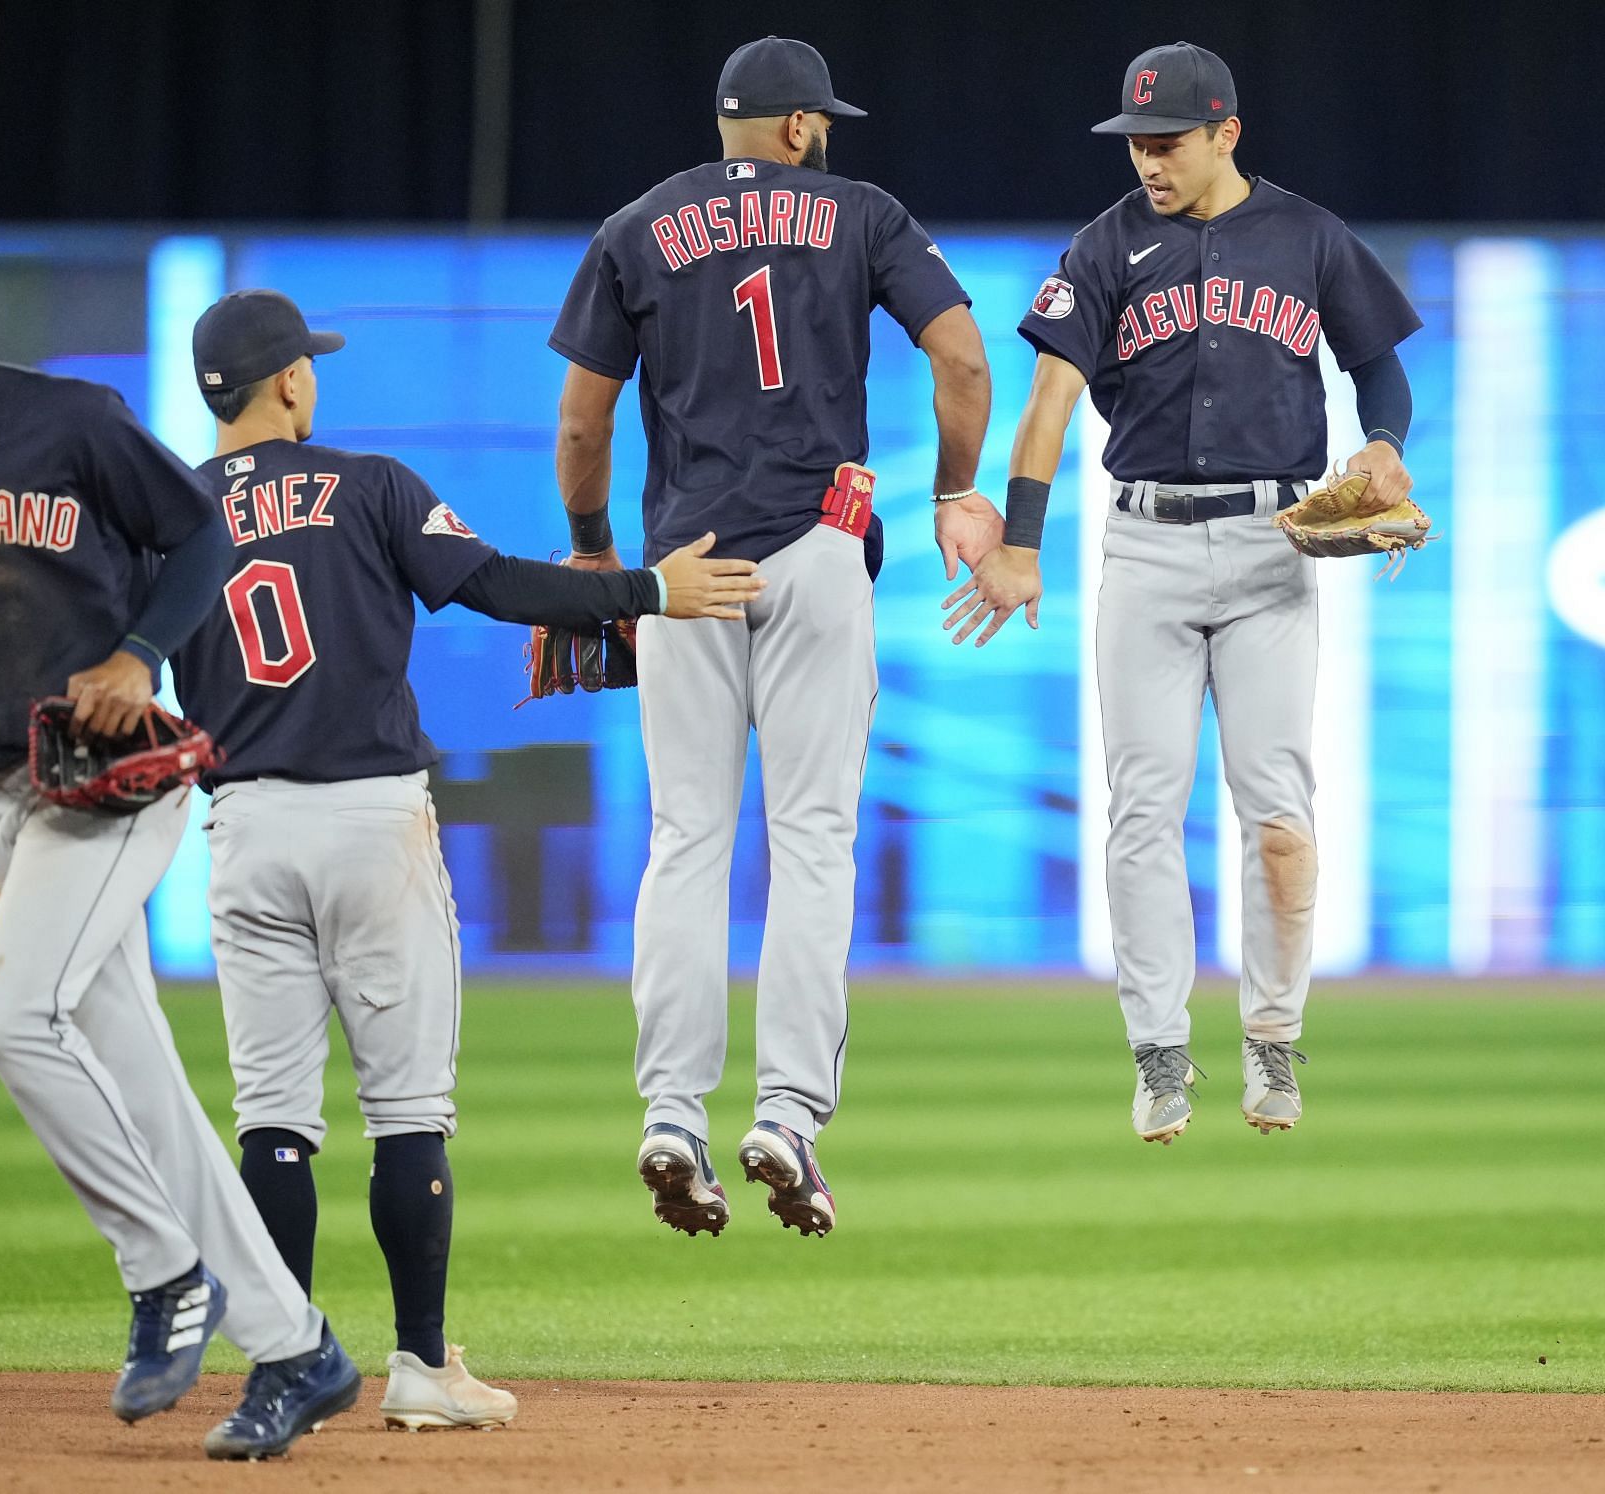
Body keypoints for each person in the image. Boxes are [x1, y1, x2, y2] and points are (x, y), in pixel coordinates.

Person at [0, 208, 361, 1462]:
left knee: (10, 1014)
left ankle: (165, 1271)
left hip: (109, 781)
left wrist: (137, 651)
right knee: (141, 1081)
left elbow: (202, 532)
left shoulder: (73, 422)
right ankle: (298, 1350)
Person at [168, 290, 762, 1422]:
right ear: (289, 381)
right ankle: (423, 1368)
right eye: (309, 366)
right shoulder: (365, 483)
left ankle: (285, 1371)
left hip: (242, 832)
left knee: (274, 1122)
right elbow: (489, 584)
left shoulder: (171, 517)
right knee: (407, 1112)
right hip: (371, 824)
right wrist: (648, 592)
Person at [547, 37, 995, 1237]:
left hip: (685, 568)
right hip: (815, 546)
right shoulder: (861, 213)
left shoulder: (637, 226)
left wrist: (596, 550)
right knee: (811, 841)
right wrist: (957, 487)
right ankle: (787, 1114)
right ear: (798, 128)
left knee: (686, 839)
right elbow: (958, 353)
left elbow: (584, 422)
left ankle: (668, 1115)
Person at [971, 42, 1421, 1142]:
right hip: (1148, 549)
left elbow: (1381, 364)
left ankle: (1273, 1038)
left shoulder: (1307, 235)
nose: (1147, 162)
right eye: (1134, 142)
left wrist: (1383, 446)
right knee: (1144, 811)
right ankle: (1161, 1055)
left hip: (1277, 548)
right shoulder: (1107, 244)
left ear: (1226, 132)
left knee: (1277, 814)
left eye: (1166, 141)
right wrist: (1022, 539)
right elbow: (1046, 400)